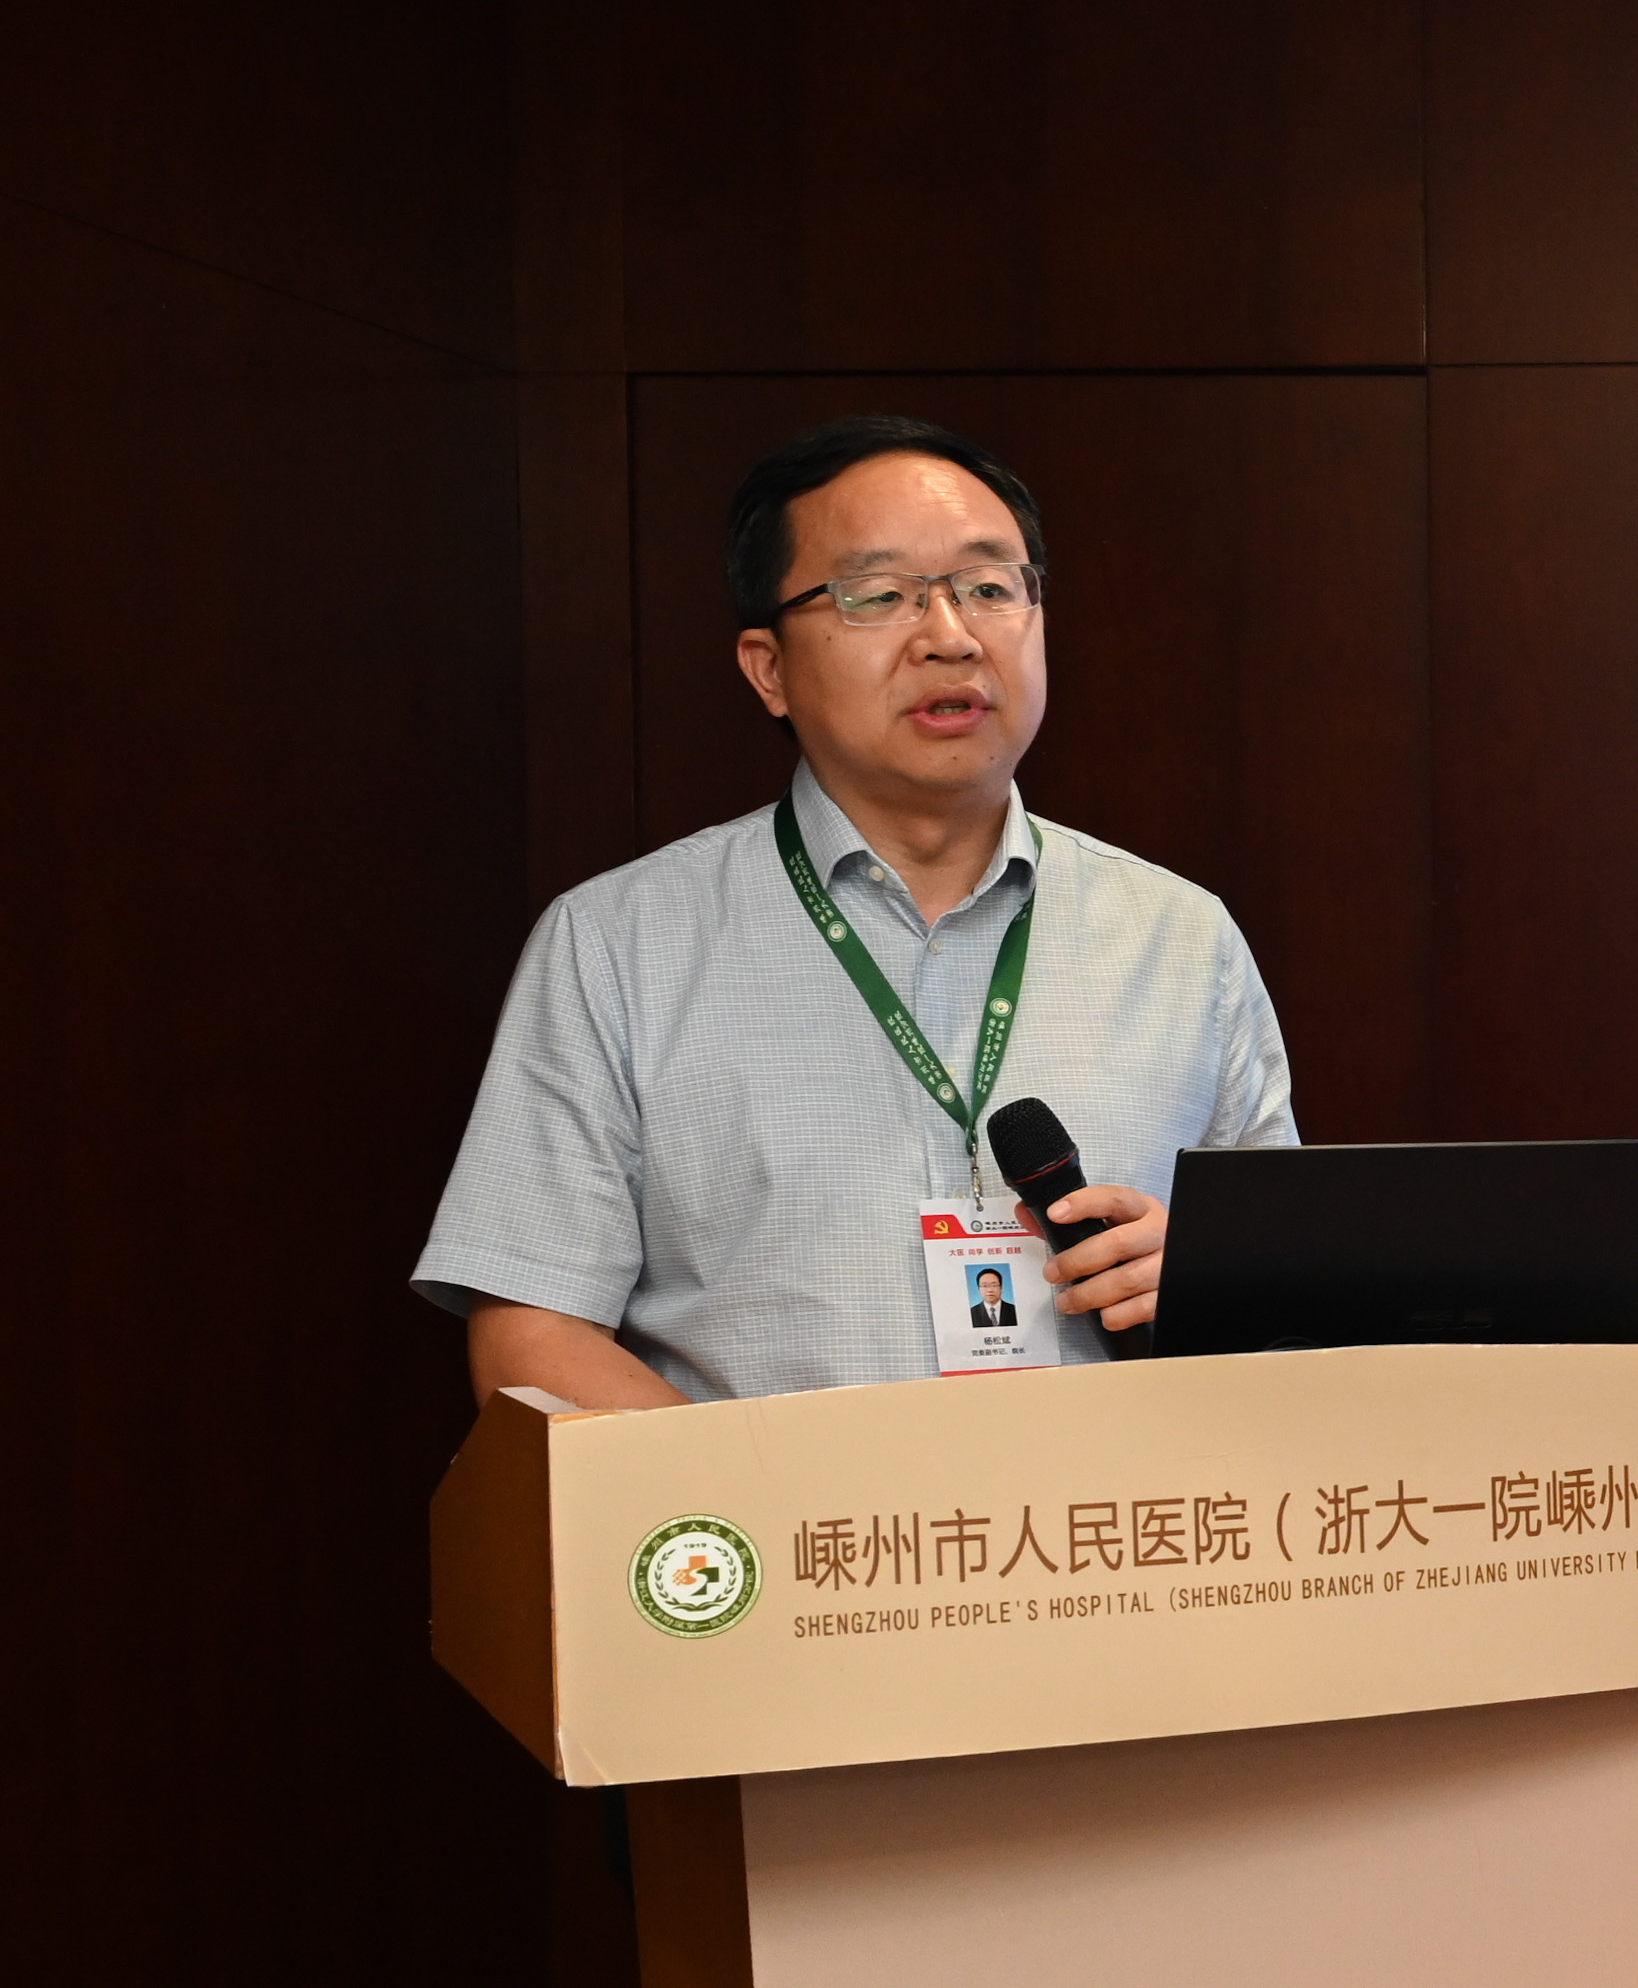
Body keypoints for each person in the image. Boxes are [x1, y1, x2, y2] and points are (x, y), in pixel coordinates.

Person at [416, 416, 1298, 1409]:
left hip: (1111, 1509)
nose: (951, 636)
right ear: (769, 668)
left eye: (989, 587)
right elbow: (530, 1335)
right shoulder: (620, 944)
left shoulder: (1181, 937)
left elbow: (1297, 1308)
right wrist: (773, 1497)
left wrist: (1221, 1288)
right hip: (779, 1510)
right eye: (878, 595)